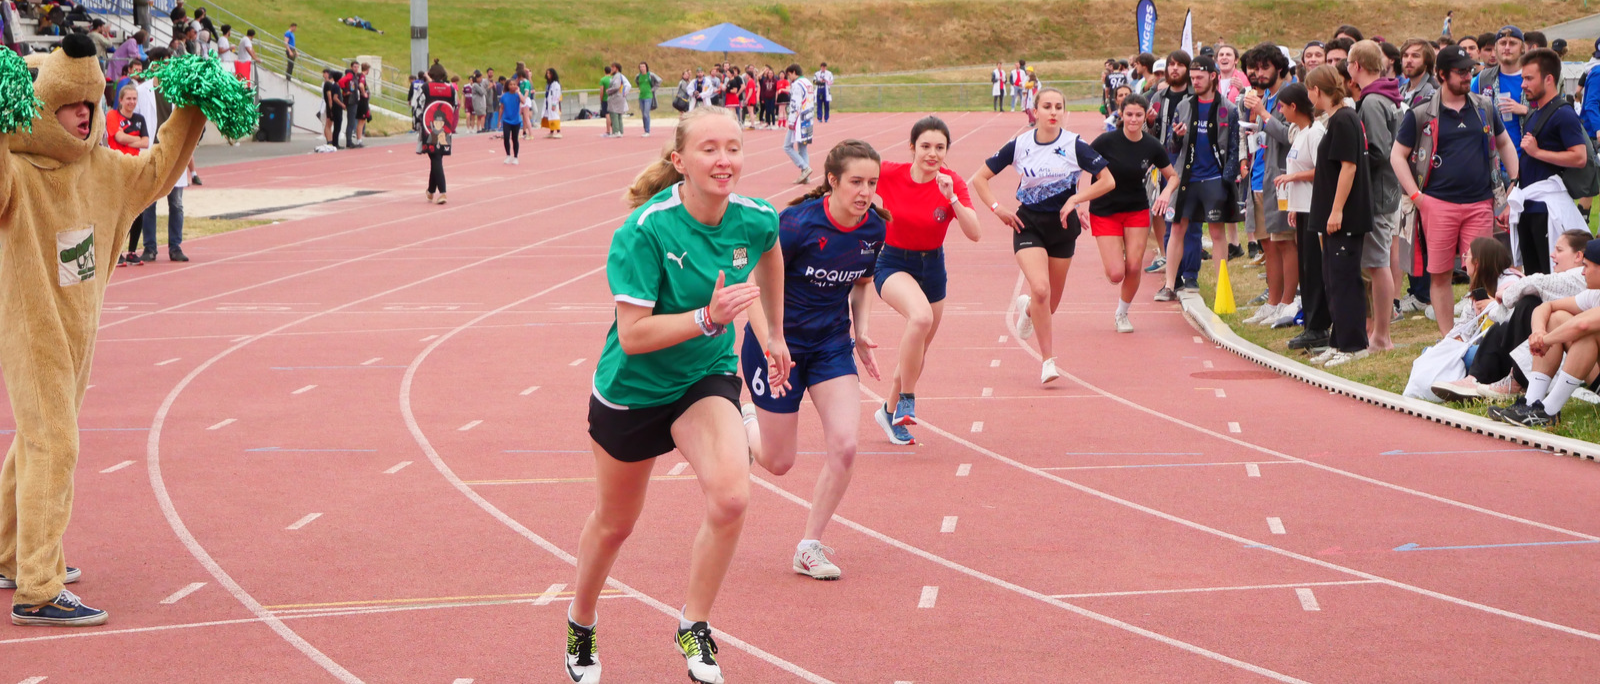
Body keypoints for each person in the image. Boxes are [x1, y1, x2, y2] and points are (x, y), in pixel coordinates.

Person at [570, 105, 788, 684]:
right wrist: (709, 317)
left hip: (702, 379)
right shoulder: (644, 231)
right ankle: (582, 620)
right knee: (616, 524)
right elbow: (635, 336)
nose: (724, 160)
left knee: (732, 498)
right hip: (633, 391)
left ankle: (694, 623)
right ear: (679, 161)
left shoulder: (755, 216)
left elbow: (770, 255)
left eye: (734, 148)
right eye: (709, 149)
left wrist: (773, 335)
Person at [0, 32, 211, 630]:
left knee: (37, 437)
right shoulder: (16, 164)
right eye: (72, 107)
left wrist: (189, 107)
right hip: (30, 324)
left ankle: (12, 554)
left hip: (78, 329)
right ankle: (38, 589)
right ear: (43, 106)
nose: (84, 115)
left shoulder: (101, 169)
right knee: (53, 442)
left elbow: (156, 170)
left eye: (90, 105)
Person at [740, 140, 887, 581]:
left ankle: (809, 545)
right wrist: (772, 339)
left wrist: (860, 333)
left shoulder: (873, 229)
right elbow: (750, 283)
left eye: (873, 183)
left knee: (845, 445)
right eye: (856, 182)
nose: (865, 192)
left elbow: (861, 284)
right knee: (779, 462)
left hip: (829, 345)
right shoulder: (795, 225)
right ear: (833, 180)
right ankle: (746, 422)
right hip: (774, 345)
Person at [971, 88, 1114, 383]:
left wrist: (1076, 200)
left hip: (1063, 227)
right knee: (1040, 288)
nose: (1053, 112)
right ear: (1034, 111)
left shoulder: (1075, 145)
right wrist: (997, 208)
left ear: (1064, 111)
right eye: (1046, 106)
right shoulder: (1019, 144)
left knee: (1049, 304)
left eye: (1058, 107)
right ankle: (1048, 361)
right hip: (1028, 224)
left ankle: (1027, 310)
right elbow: (979, 178)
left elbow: (1108, 181)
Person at [1393, 44, 1519, 336]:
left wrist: (1515, 185)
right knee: (1440, 274)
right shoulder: (1422, 112)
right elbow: (1396, 155)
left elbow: (1504, 143)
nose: (1467, 76)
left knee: (1482, 272)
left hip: (1479, 203)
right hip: (1437, 204)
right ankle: (1450, 337)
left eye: (1469, 71)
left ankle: (1482, 333)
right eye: (1460, 72)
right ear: (1441, 75)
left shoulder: (1483, 107)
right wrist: (1418, 198)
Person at [871, 117, 980, 444]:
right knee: (920, 318)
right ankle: (907, 401)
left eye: (940, 148)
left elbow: (975, 233)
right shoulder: (890, 173)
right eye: (925, 147)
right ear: (912, 148)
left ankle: (889, 412)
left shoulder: (952, 182)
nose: (932, 154)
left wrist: (953, 200)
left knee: (918, 348)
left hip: (932, 267)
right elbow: (851, 173)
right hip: (892, 262)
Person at [1435, 230, 1591, 402]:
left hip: (1559, 363)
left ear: (1578, 256)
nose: (1552, 255)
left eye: (1559, 250)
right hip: (1524, 353)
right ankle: (1476, 381)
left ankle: (1512, 381)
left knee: (1529, 304)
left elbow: (1536, 283)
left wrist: (1504, 297)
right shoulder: (1575, 285)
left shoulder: (1580, 279)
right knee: (1504, 324)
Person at [1153, 55, 1243, 301]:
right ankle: (1170, 285)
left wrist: (1227, 179)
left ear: (1212, 76)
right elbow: (1172, 148)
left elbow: (1234, 146)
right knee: (1177, 228)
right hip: (1186, 179)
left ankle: (1222, 290)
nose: (1195, 82)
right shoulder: (1184, 106)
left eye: (1199, 77)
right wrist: (1177, 136)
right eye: (1192, 78)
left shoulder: (1228, 108)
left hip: (1214, 179)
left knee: (1216, 233)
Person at [1487, 239, 1600, 427]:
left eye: (1586, 266)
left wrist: (1546, 340)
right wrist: (1539, 332)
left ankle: (1549, 410)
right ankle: (1533, 403)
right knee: (1556, 318)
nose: (1582, 272)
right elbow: (1546, 306)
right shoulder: (1594, 293)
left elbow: (1583, 325)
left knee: (1584, 334)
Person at [1305, 65, 1374, 368]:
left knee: (1345, 280)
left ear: (1317, 90)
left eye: (1310, 90)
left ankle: (1354, 344)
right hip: (1332, 215)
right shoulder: (1336, 119)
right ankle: (1339, 340)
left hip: (1345, 217)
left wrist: (1336, 210)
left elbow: (1349, 167)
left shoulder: (1345, 119)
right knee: (1333, 279)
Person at [1091, 94, 1177, 332]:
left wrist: (1166, 193)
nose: (1133, 119)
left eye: (1139, 115)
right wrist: (1076, 202)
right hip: (1104, 210)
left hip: (1136, 209)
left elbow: (1173, 176)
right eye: (1129, 114)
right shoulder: (1105, 142)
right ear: (1121, 114)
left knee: (1134, 266)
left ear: (1145, 116)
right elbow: (1079, 169)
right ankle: (1115, 255)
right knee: (1117, 273)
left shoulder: (1151, 145)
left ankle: (1122, 313)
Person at [1513, 48, 1590, 276]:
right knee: (1534, 277)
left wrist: (1538, 152)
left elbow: (1579, 156)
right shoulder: (1534, 114)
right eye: (1522, 78)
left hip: (1548, 210)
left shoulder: (1563, 114)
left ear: (1548, 79)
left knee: (1551, 277)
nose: (1523, 85)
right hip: (1529, 206)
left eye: (1529, 78)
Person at [1348, 40, 1402, 351]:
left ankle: (1382, 336)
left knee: (1377, 262)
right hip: (1384, 188)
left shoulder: (1372, 102)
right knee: (1376, 261)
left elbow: (1380, 149)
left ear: (1356, 66)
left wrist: (1353, 160)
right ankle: (1378, 333)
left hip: (1378, 192)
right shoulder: (1383, 96)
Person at [1241, 43, 1299, 326]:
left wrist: (1263, 114)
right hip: (1261, 175)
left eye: (1265, 67)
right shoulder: (1267, 97)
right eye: (1255, 68)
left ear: (1279, 67)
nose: (1259, 74)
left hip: (1283, 178)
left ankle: (1287, 301)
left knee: (1287, 243)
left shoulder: (1288, 96)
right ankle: (1273, 301)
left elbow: (1291, 135)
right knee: (1270, 244)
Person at [1276, 83, 1326, 339]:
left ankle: (1317, 325)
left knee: (1314, 269)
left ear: (1294, 106)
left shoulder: (1316, 133)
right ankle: (1309, 321)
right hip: (1302, 208)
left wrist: (1292, 177)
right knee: (1306, 268)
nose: (1281, 111)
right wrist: (1293, 205)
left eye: (1283, 106)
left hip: (1314, 209)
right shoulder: (1300, 132)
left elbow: (1323, 171)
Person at [107, 84, 150, 267]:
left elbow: (147, 142)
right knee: (119, 212)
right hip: (117, 169)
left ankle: (132, 251)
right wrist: (136, 140)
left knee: (137, 211)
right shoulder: (112, 116)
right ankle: (117, 252)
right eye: (128, 99)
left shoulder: (139, 119)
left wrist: (131, 139)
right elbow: (118, 138)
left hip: (135, 169)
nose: (131, 102)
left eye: (134, 99)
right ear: (121, 100)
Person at [1473, 26, 1529, 153]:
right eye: (1503, 43)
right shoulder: (1483, 79)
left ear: (1522, 48)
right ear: (1496, 48)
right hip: (1493, 161)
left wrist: (1525, 110)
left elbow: (1551, 115)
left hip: (1527, 160)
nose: (1507, 47)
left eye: (1513, 43)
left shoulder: (1534, 77)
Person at [419, 63, 457, 204]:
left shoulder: (426, 88)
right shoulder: (451, 89)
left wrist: (418, 124)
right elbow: (455, 106)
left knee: (435, 157)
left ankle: (442, 192)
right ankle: (430, 191)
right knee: (437, 158)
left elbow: (418, 106)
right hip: (445, 127)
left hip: (429, 127)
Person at [783, 64, 815, 185]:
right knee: (803, 148)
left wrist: (791, 121)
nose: (789, 77)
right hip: (808, 118)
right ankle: (805, 175)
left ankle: (804, 167)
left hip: (799, 120)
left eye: (789, 75)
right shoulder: (808, 82)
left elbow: (795, 104)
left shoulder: (797, 84)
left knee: (787, 146)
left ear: (794, 72)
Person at [1399, 39, 1438, 110]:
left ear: (1427, 62)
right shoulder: (1401, 90)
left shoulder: (1432, 91)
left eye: (1415, 56)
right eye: (1405, 55)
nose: (1409, 60)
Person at [500, 78, 522, 164]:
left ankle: (516, 157)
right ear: (508, 86)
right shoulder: (504, 96)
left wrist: (519, 92)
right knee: (506, 137)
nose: (513, 86)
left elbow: (523, 101)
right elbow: (501, 108)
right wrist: (499, 120)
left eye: (514, 84)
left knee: (514, 138)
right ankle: (508, 155)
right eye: (511, 84)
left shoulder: (517, 95)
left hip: (516, 120)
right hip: (506, 120)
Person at [322, 68, 344, 148]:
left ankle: (330, 141)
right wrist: (331, 108)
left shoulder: (330, 84)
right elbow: (330, 97)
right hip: (330, 105)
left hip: (330, 105)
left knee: (329, 124)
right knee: (328, 124)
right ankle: (329, 141)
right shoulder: (328, 84)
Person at [636, 62, 659, 137]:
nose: (642, 68)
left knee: (646, 114)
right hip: (641, 96)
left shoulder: (650, 75)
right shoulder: (638, 76)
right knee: (643, 115)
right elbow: (637, 82)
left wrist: (652, 89)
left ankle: (647, 131)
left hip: (648, 96)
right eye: (641, 67)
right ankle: (645, 129)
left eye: (643, 66)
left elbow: (659, 81)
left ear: (646, 67)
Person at [604, 65, 626, 138]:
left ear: (616, 68)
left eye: (613, 68)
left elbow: (616, 86)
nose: (611, 69)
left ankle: (616, 131)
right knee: (619, 114)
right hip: (619, 97)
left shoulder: (617, 76)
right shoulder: (620, 76)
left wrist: (609, 91)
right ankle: (620, 131)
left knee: (614, 114)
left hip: (615, 97)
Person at [542, 68, 562, 139]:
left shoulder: (555, 84)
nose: (548, 75)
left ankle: (558, 132)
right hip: (548, 102)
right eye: (547, 73)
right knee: (550, 116)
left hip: (553, 103)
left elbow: (556, 94)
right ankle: (551, 131)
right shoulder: (548, 84)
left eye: (549, 73)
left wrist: (554, 104)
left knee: (554, 116)